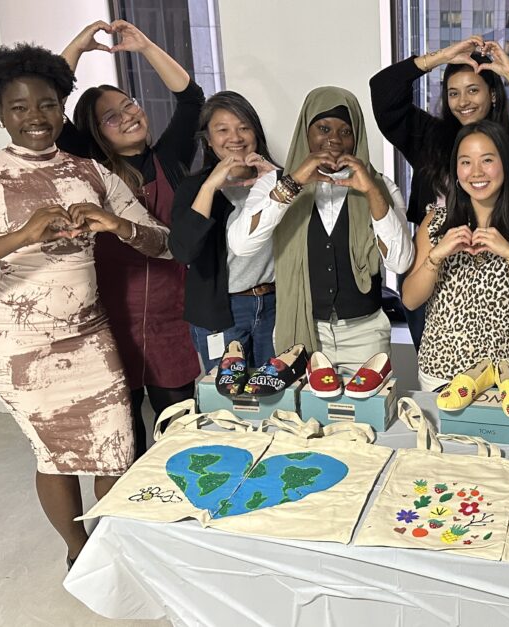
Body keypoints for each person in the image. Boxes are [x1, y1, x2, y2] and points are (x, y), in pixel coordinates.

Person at [0, 43, 170, 567]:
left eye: (46, 104)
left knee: (117, 448)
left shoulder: (91, 172)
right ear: (0, 113)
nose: (34, 117)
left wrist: (118, 224)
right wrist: (16, 237)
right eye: (18, 107)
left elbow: (166, 242)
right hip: (16, 341)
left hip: (90, 334)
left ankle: (116, 548)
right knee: (57, 456)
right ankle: (79, 553)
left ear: (61, 106)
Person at [59, 19, 204, 454]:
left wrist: (144, 47)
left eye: (130, 105)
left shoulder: (171, 157)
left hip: (171, 313)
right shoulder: (86, 164)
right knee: (125, 435)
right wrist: (77, 48)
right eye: (111, 116)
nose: (128, 116)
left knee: (178, 427)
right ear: (94, 133)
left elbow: (190, 97)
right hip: (110, 313)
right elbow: (49, 103)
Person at [370, 35, 509, 348]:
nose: (463, 101)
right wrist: (438, 58)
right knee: (435, 361)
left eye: (473, 90)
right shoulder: (429, 137)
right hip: (434, 266)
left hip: (498, 269)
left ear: (493, 95)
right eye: (453, 93)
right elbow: (383, 93)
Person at [228, 86, 413, 372]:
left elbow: (400, 262)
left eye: (345, 132)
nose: (334, 140)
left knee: (368, 415)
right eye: (323, 129)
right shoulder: (273, 183)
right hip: (299, 329)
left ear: (357, 138)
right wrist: (294, 182)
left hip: (365, 335)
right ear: (306, 132)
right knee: (302, 417)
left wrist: (372, 193)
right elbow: (241, 245)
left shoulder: (382, 186)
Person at [402, 120, 509, 391]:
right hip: (441, 373)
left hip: (505, 379)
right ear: (456, 170)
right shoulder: (436, 222)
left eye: (487, 160)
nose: (476, 172)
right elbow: (411, 299)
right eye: (465, 162)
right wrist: (437, 256)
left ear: (506, 164)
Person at [169, 92, 280, 375]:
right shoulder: (194, 188)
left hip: (274, 305)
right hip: (222, 312)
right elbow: (183, 251)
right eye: (222, 130)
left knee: (277, 394)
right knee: (227, 400)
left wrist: (277, 181)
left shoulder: (277, 181)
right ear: (208, 140)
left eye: (244, 127)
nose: (235, 137)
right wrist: (210, 186)